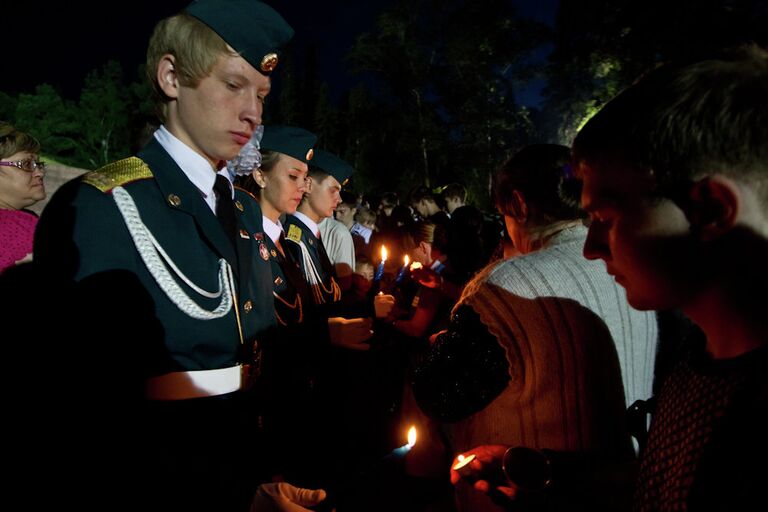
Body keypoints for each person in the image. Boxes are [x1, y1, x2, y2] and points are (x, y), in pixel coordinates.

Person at [29, 2, 325, 510]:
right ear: (171, 76)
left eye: (262, 94)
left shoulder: (244, 210)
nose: (253, 112)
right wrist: (234, 495)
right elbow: (83, 419)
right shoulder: (102, 207)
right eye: (234, 85)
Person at [446, 46, 768, 511]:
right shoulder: (701, 358)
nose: (592, 246)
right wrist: (550, 478)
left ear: (710, 209)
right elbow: (664, 482)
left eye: (607, 217)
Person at [412, 144, 659, 512]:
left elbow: (440, 393)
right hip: (628, 483)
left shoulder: (507, 286)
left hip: (530, 491)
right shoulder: (628, 267)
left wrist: (445, 343)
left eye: (503, 215)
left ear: (519, 204)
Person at [0, 122, 46, 273]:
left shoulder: (27, 220)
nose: (40, 172)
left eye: (38, 164)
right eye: (26, 164)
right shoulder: (16, 229)